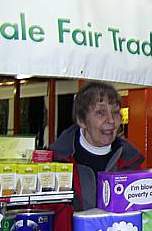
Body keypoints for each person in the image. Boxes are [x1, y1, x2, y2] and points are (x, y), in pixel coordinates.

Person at [51, 81, 144, 211]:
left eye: (115, 112)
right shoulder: (55, 164)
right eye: (101, 112)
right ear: (81, 120)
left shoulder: (131, 162)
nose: (111, 120)